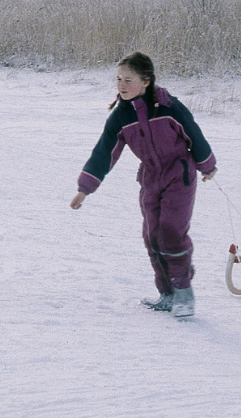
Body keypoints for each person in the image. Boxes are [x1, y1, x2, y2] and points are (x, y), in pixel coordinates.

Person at [69, 52, 217, 320]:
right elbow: (105, 151)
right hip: (150, 178)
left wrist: (207, 166)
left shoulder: (169, 106)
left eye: (128, 80)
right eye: (118, 79)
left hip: (179, 175)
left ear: (145, 81)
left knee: (171, 232)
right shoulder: (121, 116)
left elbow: (193, 134)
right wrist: (85, 188)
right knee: (152, 235)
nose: (121, 85)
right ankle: (167, 294)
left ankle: (183, 292)